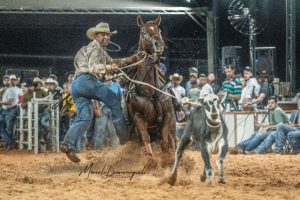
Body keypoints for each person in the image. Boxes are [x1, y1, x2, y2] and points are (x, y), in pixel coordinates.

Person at [60, 22, 131, 163]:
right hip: (88, 81)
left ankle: (67, 143)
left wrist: (130, 60)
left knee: (84, 117)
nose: (106, 37)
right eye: (103, 34)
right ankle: (125, 139)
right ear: (96, 35)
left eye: (108, 35)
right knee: (114, 100)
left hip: (77, 85)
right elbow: (94, 67)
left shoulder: (96, 50)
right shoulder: (95, 49)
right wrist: (110, 67)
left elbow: (113, 62)